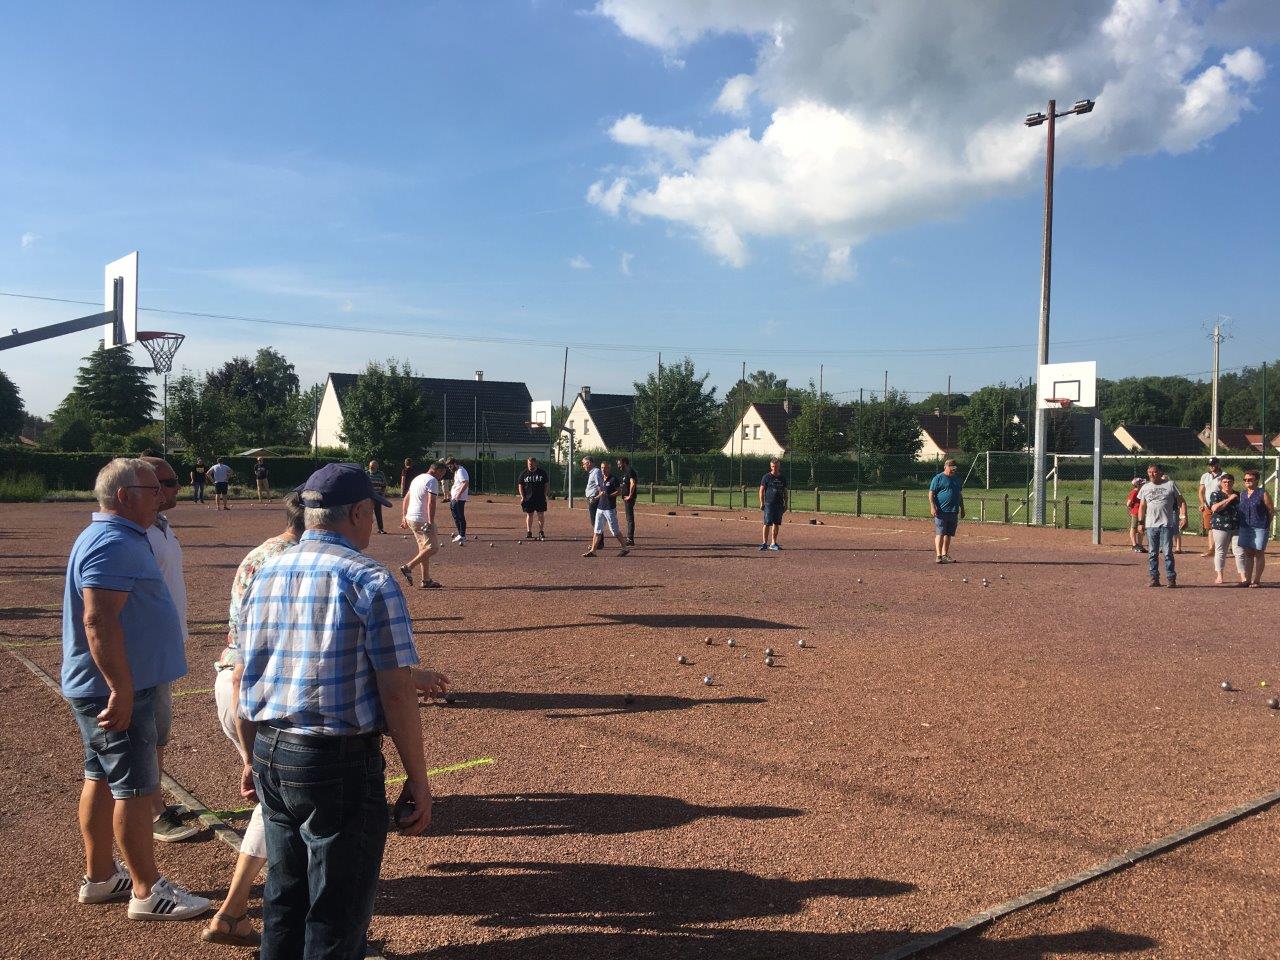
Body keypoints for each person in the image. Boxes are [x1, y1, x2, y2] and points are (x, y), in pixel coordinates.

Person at [237, 463, 431, 960]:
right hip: (337, 758)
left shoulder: (264, 570)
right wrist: (418, 778)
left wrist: (248, 753)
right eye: (372, 513)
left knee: (285, 895)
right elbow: (396, 690)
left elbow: (245, 671)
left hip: (273, 749)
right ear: (360, 512)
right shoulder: (369, 578)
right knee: (337, 911)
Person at [62, 458, 210, 920]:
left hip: (113, 684)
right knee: (135, 788)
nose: (162, 496)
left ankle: (102, 876)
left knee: (102, 777)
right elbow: (98, 620)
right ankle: (147, 891)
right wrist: (120, 687)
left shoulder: (119, 537)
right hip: (122, 687)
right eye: (153, 489)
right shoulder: (113, 542)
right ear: (125, 496)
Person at [203, 493, 305, 947]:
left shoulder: (260, 552)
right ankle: (233, 907)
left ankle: (240, 907)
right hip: (259, 691)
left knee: (277, 799)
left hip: (231, 682)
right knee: (275, 804)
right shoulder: (300, 562)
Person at [139, 457, 201, 843]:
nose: (176, 487)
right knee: (147, 735)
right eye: (169, 481)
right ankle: (151, 812)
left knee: (159, 734)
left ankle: (155, 802)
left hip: (164, 646)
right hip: (146, 651)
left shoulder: (161, 525)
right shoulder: (137, 533)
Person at [1137, 462, 1187, 588]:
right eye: (1149, 472)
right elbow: (1142, 506)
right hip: (1151, 525)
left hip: (1166, 524)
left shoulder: (1170, 485)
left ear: (1160, 473)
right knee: (1152, 553)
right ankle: (1154, 578)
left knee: (1167, 553)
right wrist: (1140, 522)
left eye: (1154, 472)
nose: (1151, 474)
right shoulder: (1145, 488)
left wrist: (1183, 517)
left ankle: (1171, 578)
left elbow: (1181, 501)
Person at [400, 460, 444, 588]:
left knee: (423, 549)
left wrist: (404, 517)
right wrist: (430, 521)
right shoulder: (432, 481)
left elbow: (406, 498)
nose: (442, 476)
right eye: (443, 473)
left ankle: (426, 580)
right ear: (438, 471)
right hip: (422, 519)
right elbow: (432, 502)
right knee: (433, 548)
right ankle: (408, 567)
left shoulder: (417, 478)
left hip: (411, 518)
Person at [582, 459, 629, 558]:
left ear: (609, 468)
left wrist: (609, 495)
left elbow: (619, 491)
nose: (603, 470)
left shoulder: (613, 479)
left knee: (614, 530)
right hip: (600, 507)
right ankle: (593, 551)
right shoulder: (601, 479)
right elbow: (601, 492)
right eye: (602, 468)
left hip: (609, 508)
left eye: (605, 468)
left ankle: (625, 548)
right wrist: (595, 498)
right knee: (597, 530)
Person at [1236, 468, 1274, 587]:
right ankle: (1247, 579)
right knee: (1248, 553)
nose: (1247, 481)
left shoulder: (1263, 493)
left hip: (1260, 526)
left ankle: (1256, 580)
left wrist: (1267, 524)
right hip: (1245, 526)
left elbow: (1270, 510)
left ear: (1256, 480)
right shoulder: (1242, 494)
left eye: (1250, 479)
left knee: (1259, 552)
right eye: (1245, 479)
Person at [1207, 473, 1243, 586]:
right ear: (1221, 483)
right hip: (1220, 527)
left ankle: (1244, 576)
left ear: (1233, 482)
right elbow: (1214, 508)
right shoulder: (1216, 494)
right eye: (1225, 482)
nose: (1227, 484)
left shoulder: (1239, 494)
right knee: (1221, 551)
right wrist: (1229, 499)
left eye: (1229, 482)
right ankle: (1219, 575)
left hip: (1237, 526)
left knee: (1240, 552)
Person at [928, 458, 965, 563]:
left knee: (949, 534)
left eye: (954, 468)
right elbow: (931, 493)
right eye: (951, 468)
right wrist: (932, 506)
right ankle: (939, 556)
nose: (953, 470)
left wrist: (962, 508)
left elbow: (959, 495)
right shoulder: (938, 478)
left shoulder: (957, 479)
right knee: (940, 532)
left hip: (953, 511)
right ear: (946, 467)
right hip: (941, 511)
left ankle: (945, 554)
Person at [1197, 457, 1224, 556]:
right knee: (1210, 528)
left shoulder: (1224, 475)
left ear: (1218, 464)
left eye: (1214, 464)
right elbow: (1201, 491)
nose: (1212, 466)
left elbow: (1226, 491)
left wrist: (1221, 504)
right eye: (1210, 465)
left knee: (1219, 528)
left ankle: (1219, 548)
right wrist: (1202, 503)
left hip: (1219, 505)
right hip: (1208, 505)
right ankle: (1211, 550)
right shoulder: (1205, 476)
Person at [759, 458, 788, 552]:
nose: (774, 468)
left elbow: (785, 491)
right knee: (767, 523)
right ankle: (764, 543)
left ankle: (773, 543)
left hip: (779, 504)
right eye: (773, 467)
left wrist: (786, 503)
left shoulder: (782, 478)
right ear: (770, 467)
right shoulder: (766, 477)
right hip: (769, 504)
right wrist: (762, 502)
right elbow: (761, 490)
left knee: (776, 523)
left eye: (776, 466)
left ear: (779, 467)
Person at [518, 456, 549, 540]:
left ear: (535, 463)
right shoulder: (524, 473)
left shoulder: (542, 473)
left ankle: (541, 531)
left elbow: (546, 484)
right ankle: (529, 532)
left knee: (540, 514)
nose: (530, 465)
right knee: (529, 514)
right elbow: (520, 485)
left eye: (531, 463)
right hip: (528, 498)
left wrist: (545, 495)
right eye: (528, 463)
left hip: (539, 498)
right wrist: (522, 497)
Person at [445, 456, 470, 544]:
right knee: (455, 516)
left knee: (460, 516)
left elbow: (465, 483)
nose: (449, 468)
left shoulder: (461, 471)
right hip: (455, 497)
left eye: (450, 466)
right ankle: (460, 534)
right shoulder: (457, 471)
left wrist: (458, 494)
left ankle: (462, 535)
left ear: (454, 464)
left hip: (459, 498)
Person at [618, 455, 639, 546]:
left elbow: (633, 483)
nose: (618, 466)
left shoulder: (630, 470)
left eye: (619, 464)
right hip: (626, 497)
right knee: (628, 518)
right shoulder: (626, 471)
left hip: (629, 498)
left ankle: (630, 539)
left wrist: (630, 495)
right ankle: (630, 538)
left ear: (624, 463)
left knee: (630, 519)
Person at [366, 460, 388, 534]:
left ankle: (380, 529)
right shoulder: (366, 473)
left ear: (377, 467)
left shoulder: (381, 474)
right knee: (367, 514)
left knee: (378, 513)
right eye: (371, 466)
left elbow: (384, 485)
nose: (372, 468)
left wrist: (382, 494)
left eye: (373, 467)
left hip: (378, 496)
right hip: (368, 497)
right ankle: (366, 529)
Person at [1126, 478, 1146, 553]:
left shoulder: (1142, 492)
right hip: (1136, 512)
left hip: (1142, 512)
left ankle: (1140, 545)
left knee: (1141, 528)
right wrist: (1132, 509)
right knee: (1134, 528)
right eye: (1142, 483)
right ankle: (1134, 545)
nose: (1143, 484)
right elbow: (1128, 503)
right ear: (1137, 485)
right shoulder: (1134, 492)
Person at [582, 456, 602, 532]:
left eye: (584, 464)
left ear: (589, 463)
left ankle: (599, 543)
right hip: (592, 499)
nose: (583, 466)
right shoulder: (592, 472)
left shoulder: (596, 472)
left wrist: (596, 498)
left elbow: (599, 486)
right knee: (594, 522)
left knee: (595, 522)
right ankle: (599, 542)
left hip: (594, 499)